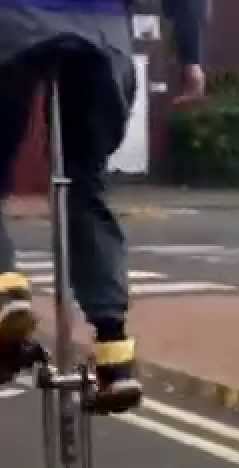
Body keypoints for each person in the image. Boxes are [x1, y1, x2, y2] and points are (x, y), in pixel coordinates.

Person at [0, 0, 208, 413]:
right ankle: (115, 352)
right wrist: (191, 56)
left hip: (11, 27)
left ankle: (7, 292)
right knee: (85, 185)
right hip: (103, 40)